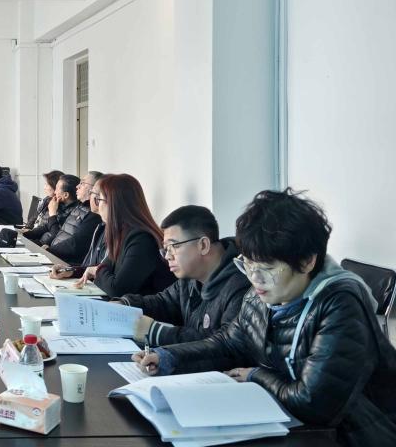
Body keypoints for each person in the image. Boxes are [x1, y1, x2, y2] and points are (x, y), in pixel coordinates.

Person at [135, 189, 396, 445]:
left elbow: (315, 403)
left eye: (267, 268)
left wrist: (255, 376)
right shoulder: (261, 293)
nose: (255, 278)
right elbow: (229, 343)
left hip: (352, 435)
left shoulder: (340, 304)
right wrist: (168, 357)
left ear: (307, 261)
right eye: (248, 264)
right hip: (290, 423)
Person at [117, 205, 248, 346]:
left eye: (174, 246)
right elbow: (162, 303)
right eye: (166, 249)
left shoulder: (241, 285)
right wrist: (124, 305)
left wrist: (158, 333)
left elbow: (223, 345)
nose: (168, 256)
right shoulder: (189, 278)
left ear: (203, 245)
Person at [74, 174, 175, 297]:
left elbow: (117, 289)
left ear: (114, 204)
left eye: (99, 200)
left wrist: (97, 271)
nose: (97, 205)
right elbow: (105, 267)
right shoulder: (123, 233)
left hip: (143, 308)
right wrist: (71, 271)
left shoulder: (142, 239)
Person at [45, 172, 102, 267]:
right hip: (56, 255)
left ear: (93, 189)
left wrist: (48, 250)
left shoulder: (95, 215)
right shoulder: (78, 206)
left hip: (66, 263)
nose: (77, 186)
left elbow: (75, 244)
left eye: (82, 183)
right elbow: (60, 233)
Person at [24, 173, 74, 243]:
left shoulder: (64, 209)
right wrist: (25, 233)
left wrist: (52, 213)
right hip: (40, 242)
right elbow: (46, 226)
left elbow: (55, 237)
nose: (55, 192)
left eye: (47, 184)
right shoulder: (47, 201)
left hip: (46, 245)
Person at [23, 170, 63, 234]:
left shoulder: (58, 206)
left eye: (47, 185)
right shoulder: (46, 200)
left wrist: (30, 233)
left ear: (55, 186)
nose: (44, 188)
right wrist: (26, 228)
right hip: (33, 234)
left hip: (39, 237)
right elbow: (35, 217)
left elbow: (50, 230)